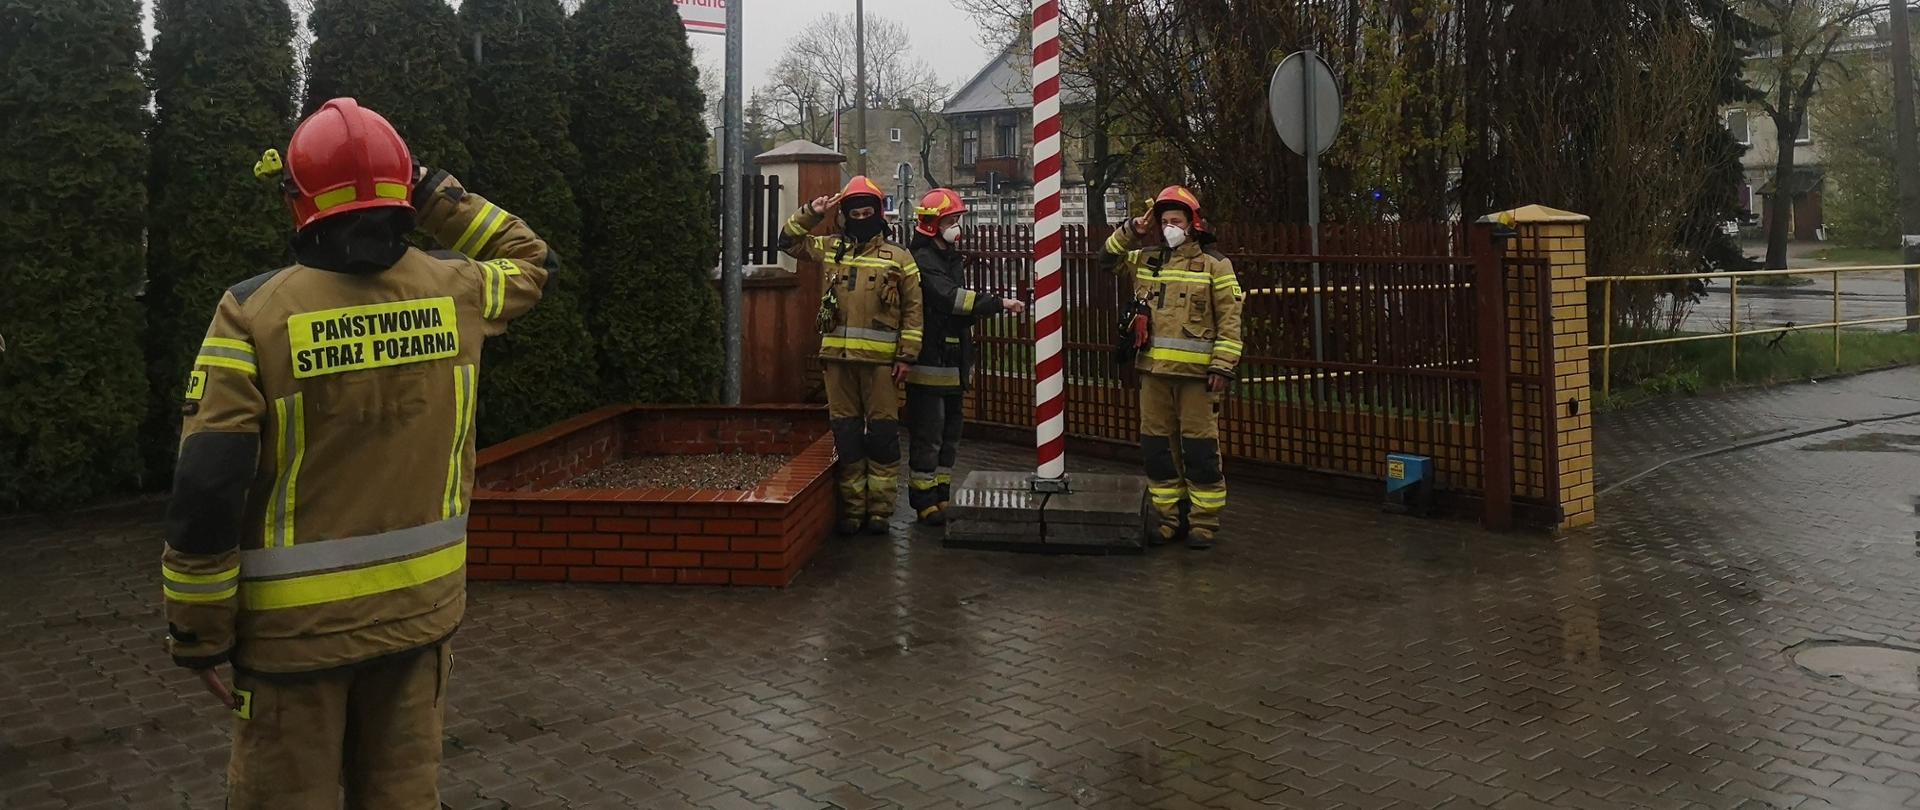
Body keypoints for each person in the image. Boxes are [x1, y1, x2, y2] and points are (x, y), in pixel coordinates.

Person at [160, 97, 553, 807]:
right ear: (404, 196)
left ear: (296, 200)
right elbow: (531, 258)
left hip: (292, 644)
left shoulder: (251, 313)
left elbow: (209, 485)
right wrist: (439, 194)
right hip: (419, 621)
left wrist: (199, 633)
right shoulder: (456, 292)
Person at [1101, 185, 1245, 549]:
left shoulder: (1216, 266)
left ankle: (1203, 522)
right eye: (1164, 221)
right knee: (1157, 450)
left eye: (1175, 221)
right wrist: (1133, 228)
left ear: (1192, 224)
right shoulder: (1146, 259)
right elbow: (1104, 258)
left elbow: (1230, 321)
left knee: (1199, 451)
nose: (1168, 227)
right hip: (1154, 374)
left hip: (1198, 379)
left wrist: (1222, 366)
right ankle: (1168, 519)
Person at [779, 176, 925, 535]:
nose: (862, 216)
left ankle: (880, 511)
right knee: (845, 435)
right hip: (838, 362)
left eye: (868, 211)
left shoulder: (900, 258)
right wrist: (812, 212)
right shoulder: (830, 249)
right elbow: (787, 242)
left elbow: (913, 311)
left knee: (882, 435)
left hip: (881, 366)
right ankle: (853, 509)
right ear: (844, 216)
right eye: (854, 212)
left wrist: (906, 356)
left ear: (878, 214)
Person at [903, 188, 1025, 524]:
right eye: (952, 220)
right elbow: (950, 299)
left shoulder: (949, 255)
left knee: (951, 431)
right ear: (934, 225)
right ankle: (923, 500)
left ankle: (942, 495)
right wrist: (998, 303)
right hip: (930, 357)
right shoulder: (923, 260)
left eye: (957, 220)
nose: (958, 227)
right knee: (930, 431)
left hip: (954, 358)